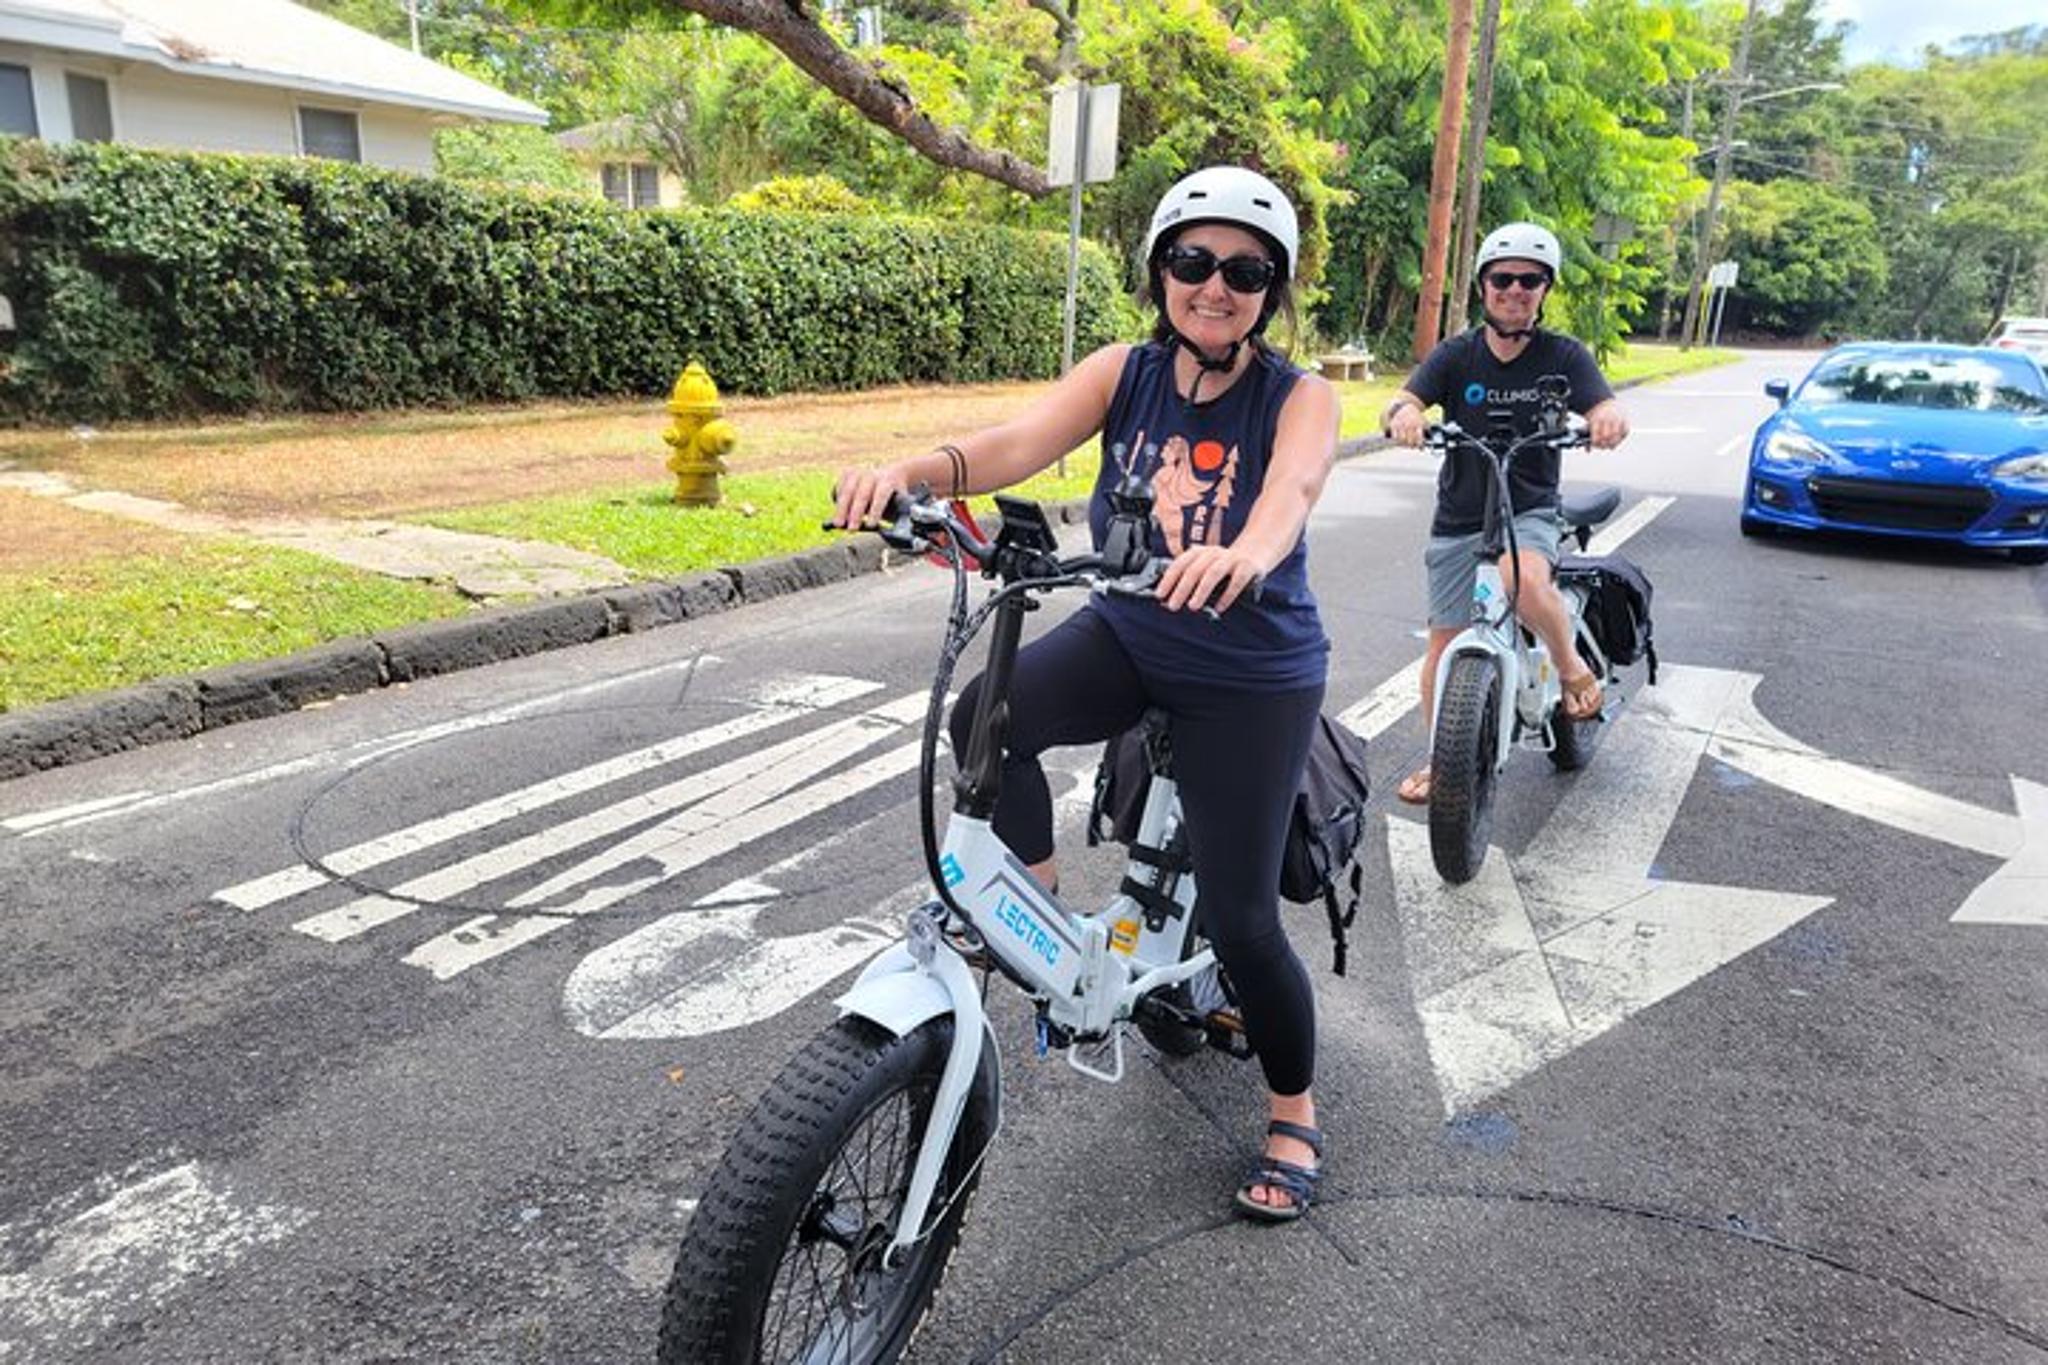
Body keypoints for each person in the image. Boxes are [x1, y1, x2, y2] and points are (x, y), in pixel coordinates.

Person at [832, 166, 1340, 1223]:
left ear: (1272, 290)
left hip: (1250, 667)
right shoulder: (1124, 371)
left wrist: (1245, 554)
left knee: (1244, 921)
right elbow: (1017, 444)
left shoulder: (1301, 396)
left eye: (1245, 272)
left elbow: (1289, 489)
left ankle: (1292, 1109)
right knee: (984, 715)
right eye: (1192, 261)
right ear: (1159, 270)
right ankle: (1037, 902)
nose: (1215, 286)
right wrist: (910, 473)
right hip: (1133, 628)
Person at [1382, 221, 1631, 806]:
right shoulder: (1457, 354)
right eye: (1502, 279)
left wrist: (1606, 419)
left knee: (1521, 579)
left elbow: (1605, 404)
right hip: (1460, 514)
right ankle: (1441, 761)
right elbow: (1405, 399)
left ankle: (1570, 666)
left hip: (1530, 508)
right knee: (1443, 646)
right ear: (1483, 286)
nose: (1515, 289)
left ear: (1545, 289)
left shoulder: (1563, 355)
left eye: (1529, 280)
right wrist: (1404, 415)